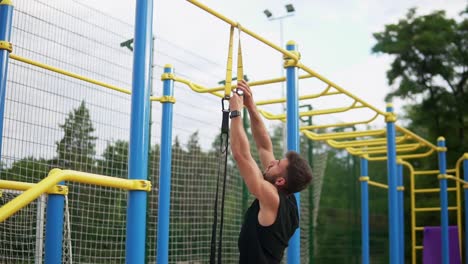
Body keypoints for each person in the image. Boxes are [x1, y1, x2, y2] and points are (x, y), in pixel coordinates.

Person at [229, 80, 313, 264]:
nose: (272, 161)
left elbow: (241, 155)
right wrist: (251, 106)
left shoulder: (272, 197)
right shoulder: (286, 196)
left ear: (281, 181)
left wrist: (235, 113)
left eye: (277, 164)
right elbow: (264, 146)